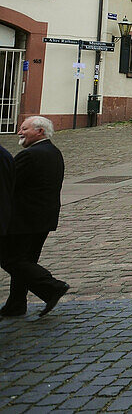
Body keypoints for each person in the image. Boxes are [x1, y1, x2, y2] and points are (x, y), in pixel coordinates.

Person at [0, 117, 69, 318]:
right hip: (43, 218)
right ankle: (16, 304)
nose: (20, 133)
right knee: (25, 261)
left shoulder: (30, 155)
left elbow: (9, 184)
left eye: (24, 129)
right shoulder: (53, 151)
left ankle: (52, 287)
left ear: (40, 131)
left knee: (10, 259)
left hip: (24, 220)